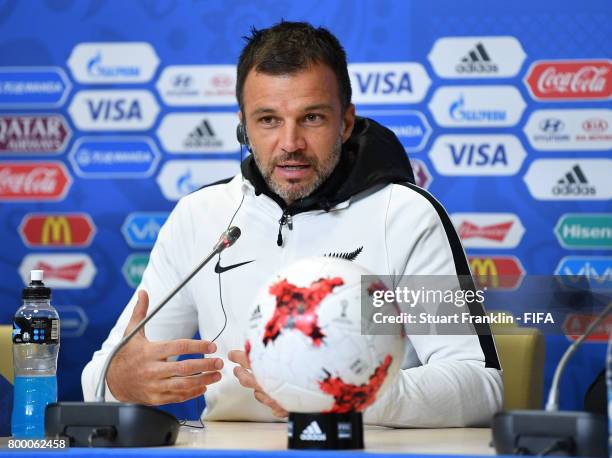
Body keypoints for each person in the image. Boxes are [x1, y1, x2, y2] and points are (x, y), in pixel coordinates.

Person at [82, 21, 503, 427]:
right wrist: (120, 379)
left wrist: (350, 398)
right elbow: (97, 377)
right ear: (243, 126)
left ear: (346, 122)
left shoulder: (406, 215)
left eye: (312, 118)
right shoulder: (200, 216)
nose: (290, 144)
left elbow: (481, 385)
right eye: (268, 120)